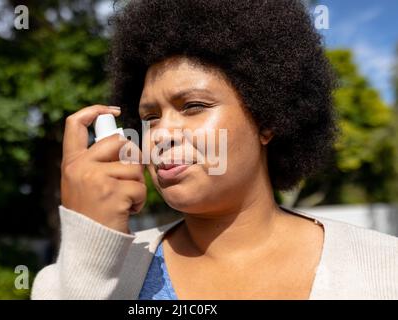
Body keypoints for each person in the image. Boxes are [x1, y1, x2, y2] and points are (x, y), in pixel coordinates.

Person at [31, 0, 398, 300]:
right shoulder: (75, 278)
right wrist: (90, 250)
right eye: (150, 117)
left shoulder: (384, 269)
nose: (162, 134)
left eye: (193, 107)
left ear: (267, 121)